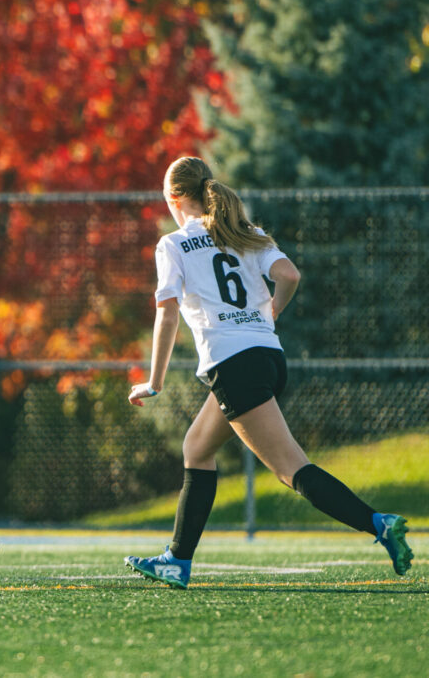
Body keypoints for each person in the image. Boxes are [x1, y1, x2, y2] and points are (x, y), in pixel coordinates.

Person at [123, 156, 413, 589]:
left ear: (174, 199)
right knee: (197, 449)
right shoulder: (246, 234)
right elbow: (289, 275)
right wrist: (270, 312)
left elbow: (166, 318)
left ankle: (378, 523)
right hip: (268, 357)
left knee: (291, 469)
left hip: (234, 366)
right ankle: (176, 561)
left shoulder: (173, 244)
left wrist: (154, 382)